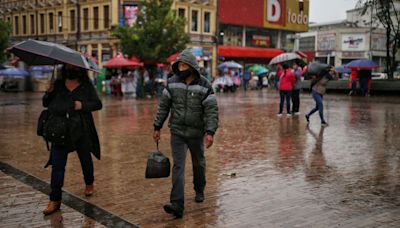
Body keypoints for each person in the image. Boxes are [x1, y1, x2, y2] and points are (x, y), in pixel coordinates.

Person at [153, 49, 219, 218]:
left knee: (199, 164)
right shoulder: (172, 82)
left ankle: (199, 189)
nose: (180, 68)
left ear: (191, 67)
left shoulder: (204, 85)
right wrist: (157, 126)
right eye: (179, 65)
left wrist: (210, 132)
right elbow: (164, 106)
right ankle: (177, 204)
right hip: (178, 132)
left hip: (196, 133)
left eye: (183, 65)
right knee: (178, 167)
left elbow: (211, 111)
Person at [42, 64, 102, 215]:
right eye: (69, 67)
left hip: (81, 129)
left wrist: (82, 105)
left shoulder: (86, 86)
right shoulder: (57, 84)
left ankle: (89, 182)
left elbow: (97, 104)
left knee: (85, 159)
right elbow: (46, 103)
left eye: (75, 68)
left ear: (80, 70)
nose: (71, 69)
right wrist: (48, 93)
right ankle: (55, 199)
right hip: (60, 130)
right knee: (57, 166)